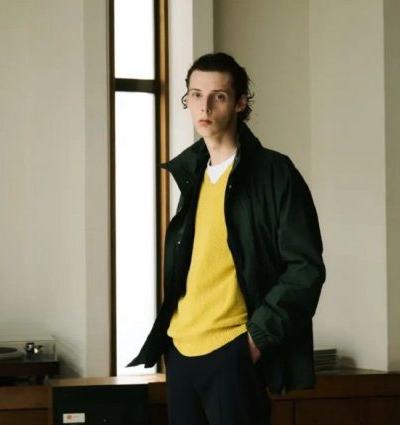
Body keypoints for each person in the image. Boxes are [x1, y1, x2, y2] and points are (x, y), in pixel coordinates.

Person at [128, 52, 326, 425]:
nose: (204, 107)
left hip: (233, 352)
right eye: (195, 95)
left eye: (217, 96)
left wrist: (255, 341)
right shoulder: (191, 175)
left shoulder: (274, 173)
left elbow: (305, 269)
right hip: (181, 350)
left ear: (239, 103)